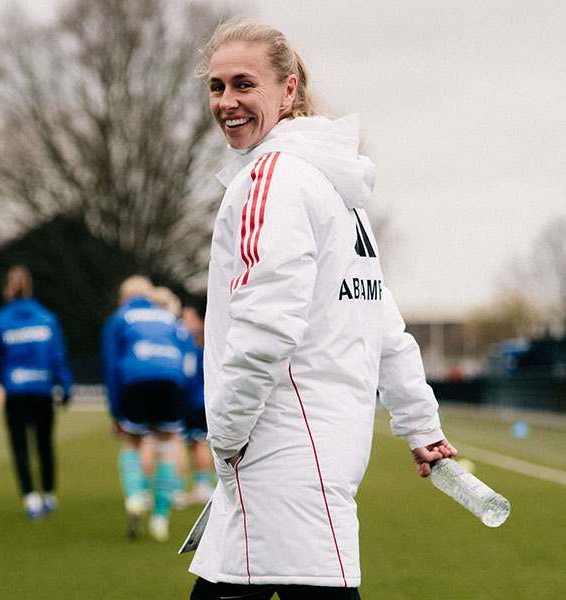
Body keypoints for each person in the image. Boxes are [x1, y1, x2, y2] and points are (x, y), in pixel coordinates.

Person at [187, 20, 457, 599]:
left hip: (276, 453)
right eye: (216, 87)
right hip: (316, 454)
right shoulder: (336, 189)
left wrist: (226, 438)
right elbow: (385, 325)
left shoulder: (271, 178)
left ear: (288, 91)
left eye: (243, 84)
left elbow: (264, 329)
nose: (227, 102)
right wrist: (421, 424)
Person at [101, 276, 187, 542]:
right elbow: (186, 358)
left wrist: (115, 411)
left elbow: (110, 364)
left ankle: (136, 495)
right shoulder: (169, 319)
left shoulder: (120, 317)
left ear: (124, 296)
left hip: (135, 379)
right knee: (165, 448)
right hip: (171, 382)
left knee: (131, 441)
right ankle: (160, 518)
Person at [0, 265, 74, 520]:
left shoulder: (0, 320)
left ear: (7, 290)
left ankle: (30, 497)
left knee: (20, 446)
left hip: (15, 391)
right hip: (42, 389)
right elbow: (58, 355)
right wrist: (65, 385)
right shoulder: (46, 317)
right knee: (45, 444)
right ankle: (49, 494)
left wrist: (4, 379)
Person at [178, 304, 214, 505]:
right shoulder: (207, 340)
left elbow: (188, 373)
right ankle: (202, 486)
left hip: (194, 400)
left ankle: (191, 487)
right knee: (196, 443)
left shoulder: (192, 344)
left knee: (195, 443)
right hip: (201, 399)